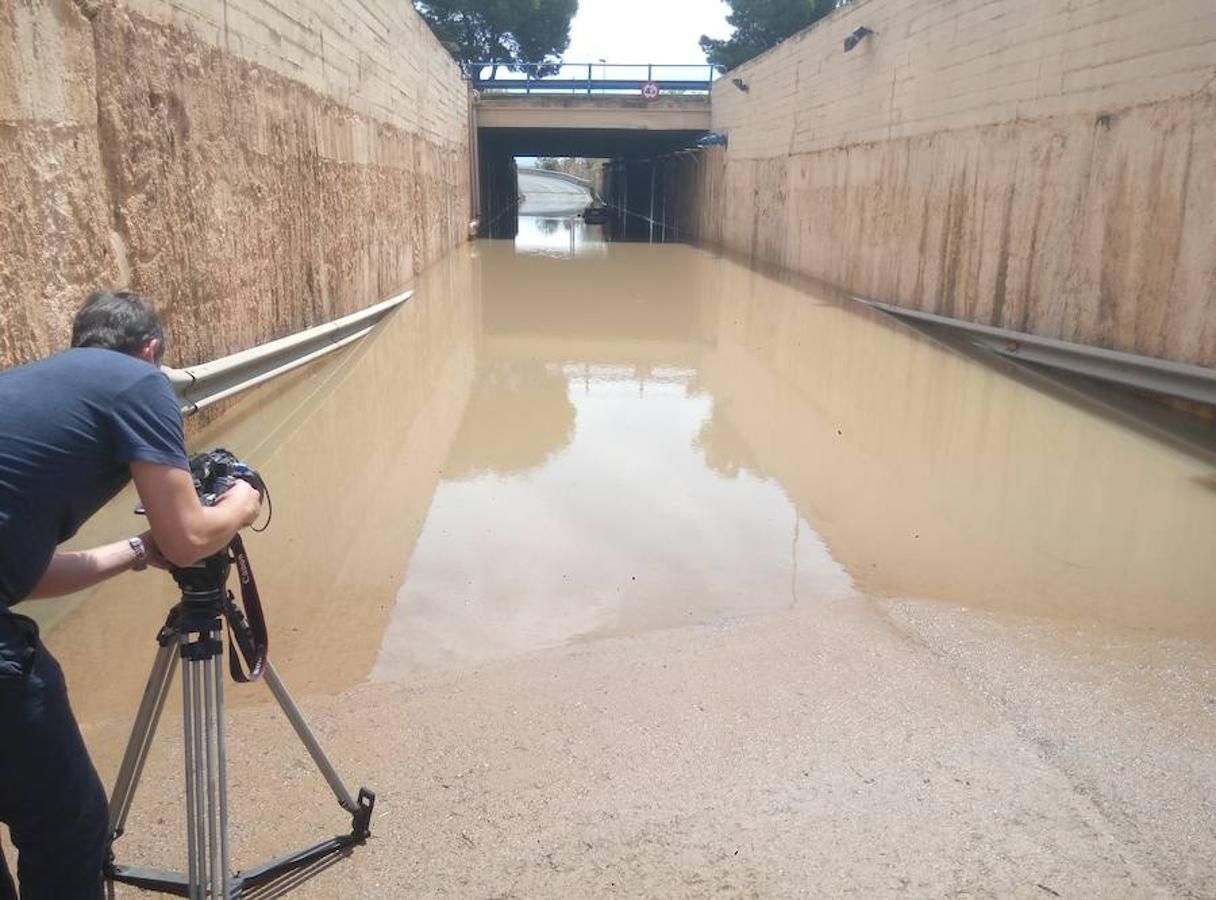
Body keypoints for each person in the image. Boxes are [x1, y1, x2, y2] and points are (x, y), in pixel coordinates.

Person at [0, 290, 262, 899]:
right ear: (150, 351)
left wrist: (141, 550)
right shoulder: (139, 385)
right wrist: (242, 503)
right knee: (68, 827)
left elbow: (21, 578)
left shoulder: (27, 387)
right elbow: (192, 535)